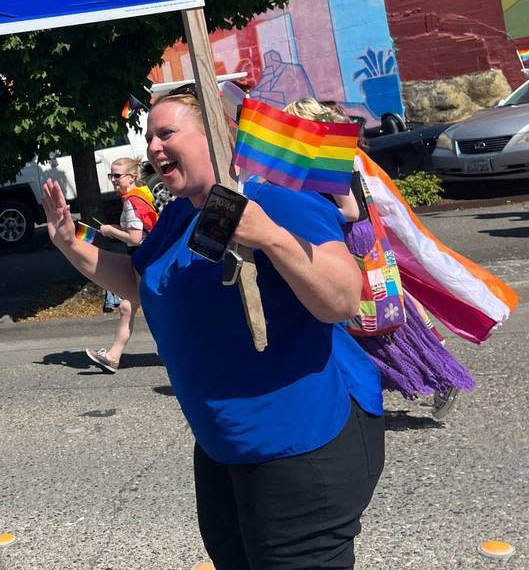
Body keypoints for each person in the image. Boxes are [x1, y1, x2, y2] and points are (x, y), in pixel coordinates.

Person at [43, 91, 384, 569]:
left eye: (167, 133)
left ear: (213, 136)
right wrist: (69, 243)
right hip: (226, 443)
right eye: (149, 137)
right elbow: (141, 282)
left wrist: (267, 234)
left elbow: (342, 299)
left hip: (302, 441)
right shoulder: (182, 212)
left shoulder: (273, 199)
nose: (153, 148)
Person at [285, 98, 477, 418]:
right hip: (365, 240)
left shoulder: (325, 158)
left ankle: (436, 376)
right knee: (388, 320)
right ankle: (433, 372)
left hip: (351, 242)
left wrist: (312, 212)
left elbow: (348, 209)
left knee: (368, 325)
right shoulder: (341, 152)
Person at [85, 157, 158, 373]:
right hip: (145, 256)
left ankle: (178, 351)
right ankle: (113, 357)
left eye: (117, 176)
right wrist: (114, 227)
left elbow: (135, 238)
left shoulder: (131, 202)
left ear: (131, 177)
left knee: (152, 307)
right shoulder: (139, 197)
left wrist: (110, 232)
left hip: (143, 257)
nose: (114, 180)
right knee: (128, 307)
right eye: (112, 175)